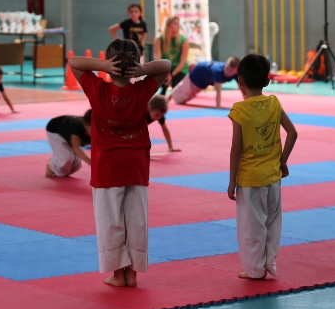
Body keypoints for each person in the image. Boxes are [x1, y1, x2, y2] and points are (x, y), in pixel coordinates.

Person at [69, 39, 171, 288]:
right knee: (136, 219)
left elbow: (74, 62)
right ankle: (132, 273)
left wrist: (103, 65)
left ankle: (118, 275)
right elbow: (166, 65)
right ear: (135, 64)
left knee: (111, 220)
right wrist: (142, 69)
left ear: (110, 64)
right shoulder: (142, 91)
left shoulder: (98, 90)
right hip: (135, 165)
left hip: (108, 167)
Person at [227, 54, 298, 280]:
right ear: (267, 81)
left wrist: (232, 180)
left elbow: (236, 148)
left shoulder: (239, 110)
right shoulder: (274, 103)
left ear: (240, 81)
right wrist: (282, 161)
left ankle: (255, 269)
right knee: (272, 223)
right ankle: (270, 264)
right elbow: (293, 133)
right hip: (273, 177)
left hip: (249, 180)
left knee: (251, 227)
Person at [167, 56, 240, 109]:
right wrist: (218, 105)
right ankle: (166, 99)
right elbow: (218, 90)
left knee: (180, 100)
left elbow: (242, 87)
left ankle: (170, 98)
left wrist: (246, 102)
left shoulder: (237, 74)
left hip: (202, 83)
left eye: (231, 71)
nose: (227, 72)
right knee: (181, 89)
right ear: (226, 63)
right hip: (195, 75)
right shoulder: (218, 70)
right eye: (227, 68)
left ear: (236, 70)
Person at [45, 109, 92, 177]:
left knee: (77, 163)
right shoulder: (77, 128)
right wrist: (89, 161)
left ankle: (59, 170)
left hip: (68, 133)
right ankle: (51, 166)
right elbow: (76, 148)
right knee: (67, 158)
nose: (96, 132)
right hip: (56, 130)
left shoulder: (100, 131)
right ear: (85, 125)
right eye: (93, 129)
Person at [153, 16, 189, 95]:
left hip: (179, 69)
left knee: (177, 89)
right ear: (168, 25)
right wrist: (166, 73)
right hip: (165, 69)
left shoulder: (184, 40)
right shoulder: (159, 39)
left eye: (178, 24)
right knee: (160, 81)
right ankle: (162, 93)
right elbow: (157, 59)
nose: (178, 26)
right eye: (175, 23)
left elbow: (182, 62)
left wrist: (172, 75)